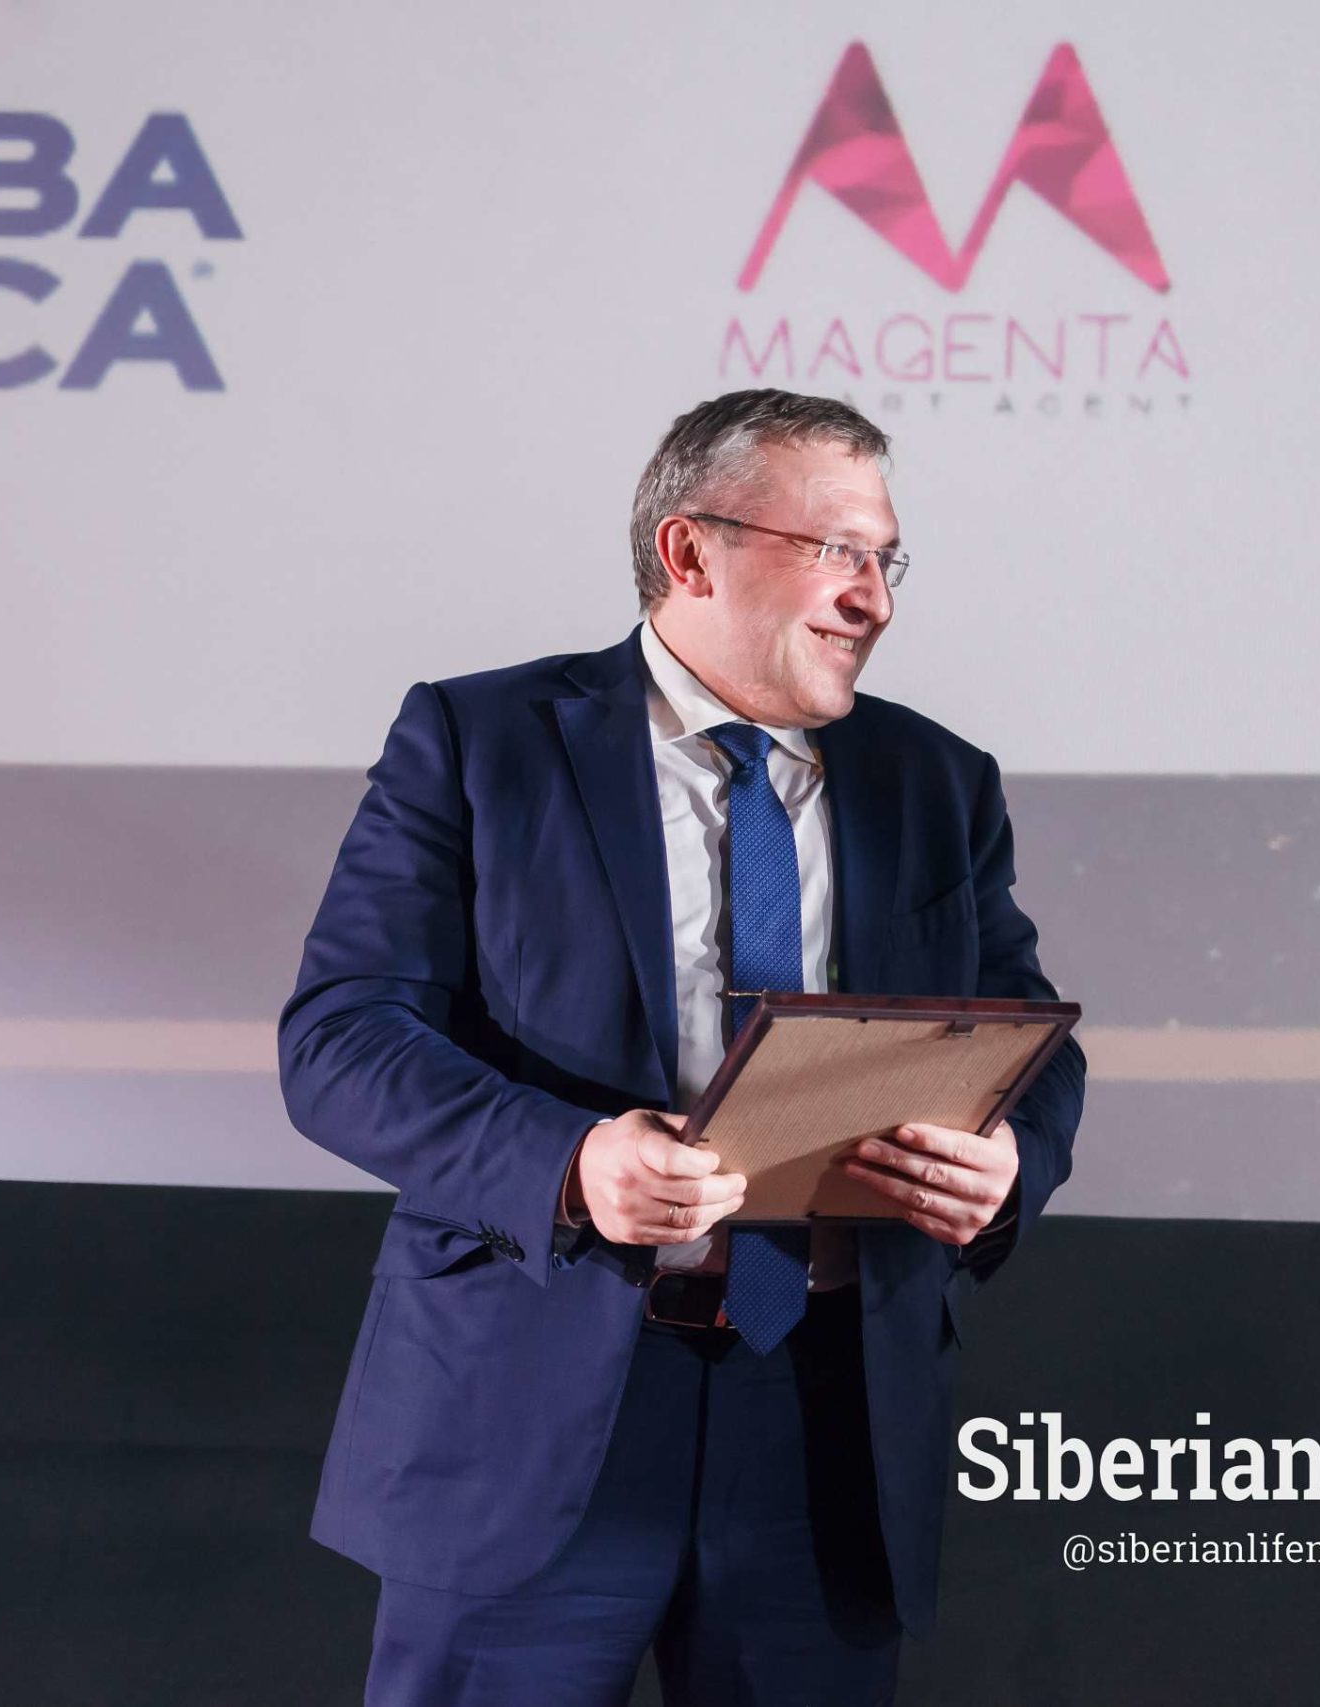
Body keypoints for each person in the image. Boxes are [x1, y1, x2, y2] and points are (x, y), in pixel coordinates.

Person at [278, 390, 1085, 1706]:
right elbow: (341, 1039)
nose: (874, 599)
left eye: (889, 560)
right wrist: (572, 1160)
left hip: (826, 1426)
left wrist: (1004, 1164)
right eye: (838, 552)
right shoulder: (483, 742)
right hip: (530, 1409)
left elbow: (1028, 1045)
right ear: (691, 551)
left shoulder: (937, 780)